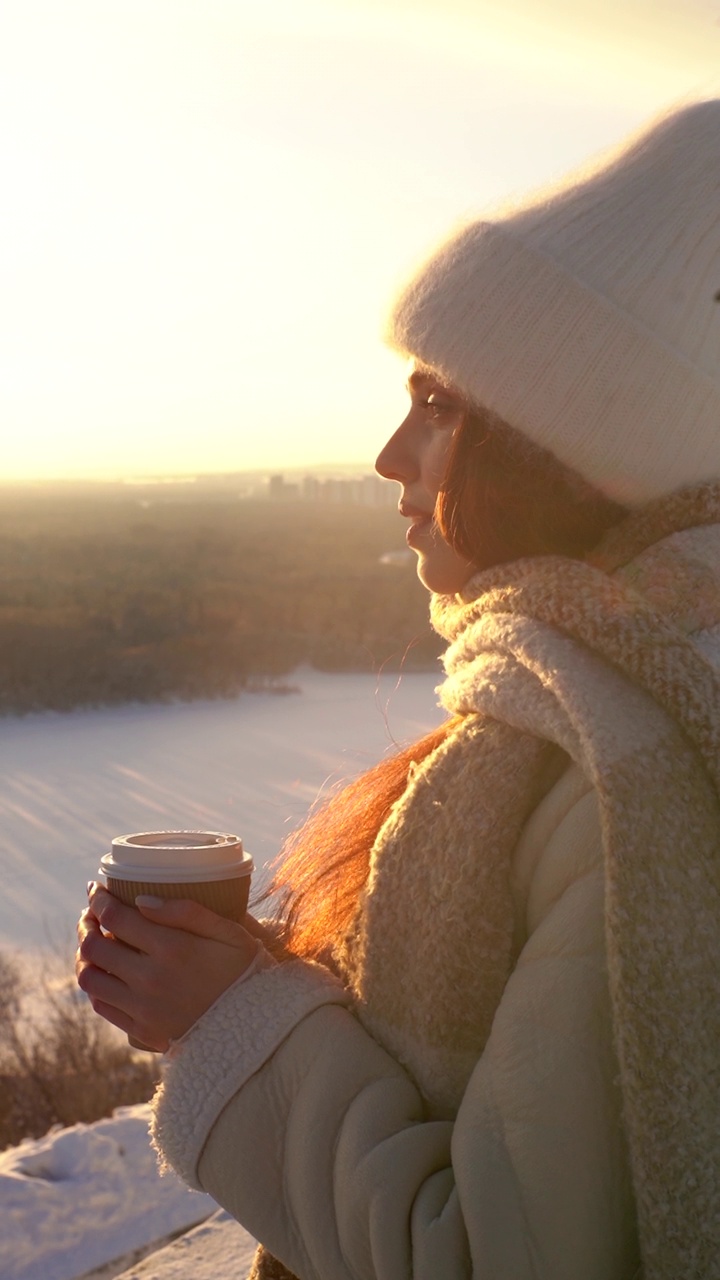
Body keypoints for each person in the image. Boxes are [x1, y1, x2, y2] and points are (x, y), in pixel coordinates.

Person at [76, 100, 720, 1280]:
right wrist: (281, 980)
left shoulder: (618, 787)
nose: (390, 454)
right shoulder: (635, 716)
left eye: (440, 404)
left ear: (570, 437)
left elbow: (486, 1257)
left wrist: (233, 1027)